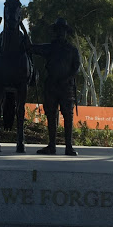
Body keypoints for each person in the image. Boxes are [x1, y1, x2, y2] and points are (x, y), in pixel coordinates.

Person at [32, 18, 80, 156]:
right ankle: (52, 145)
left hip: (66, 88)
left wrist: (68, 79)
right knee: (51, 115)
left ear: (66, 32)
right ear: (55, 32)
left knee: (68, 116)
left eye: (62, 30)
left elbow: (76, 68)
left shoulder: (72, 50)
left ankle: (69, 146)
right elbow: (34, 48)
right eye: (58, 30)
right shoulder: (50, 47)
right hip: (51, 86)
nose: (60, 33)